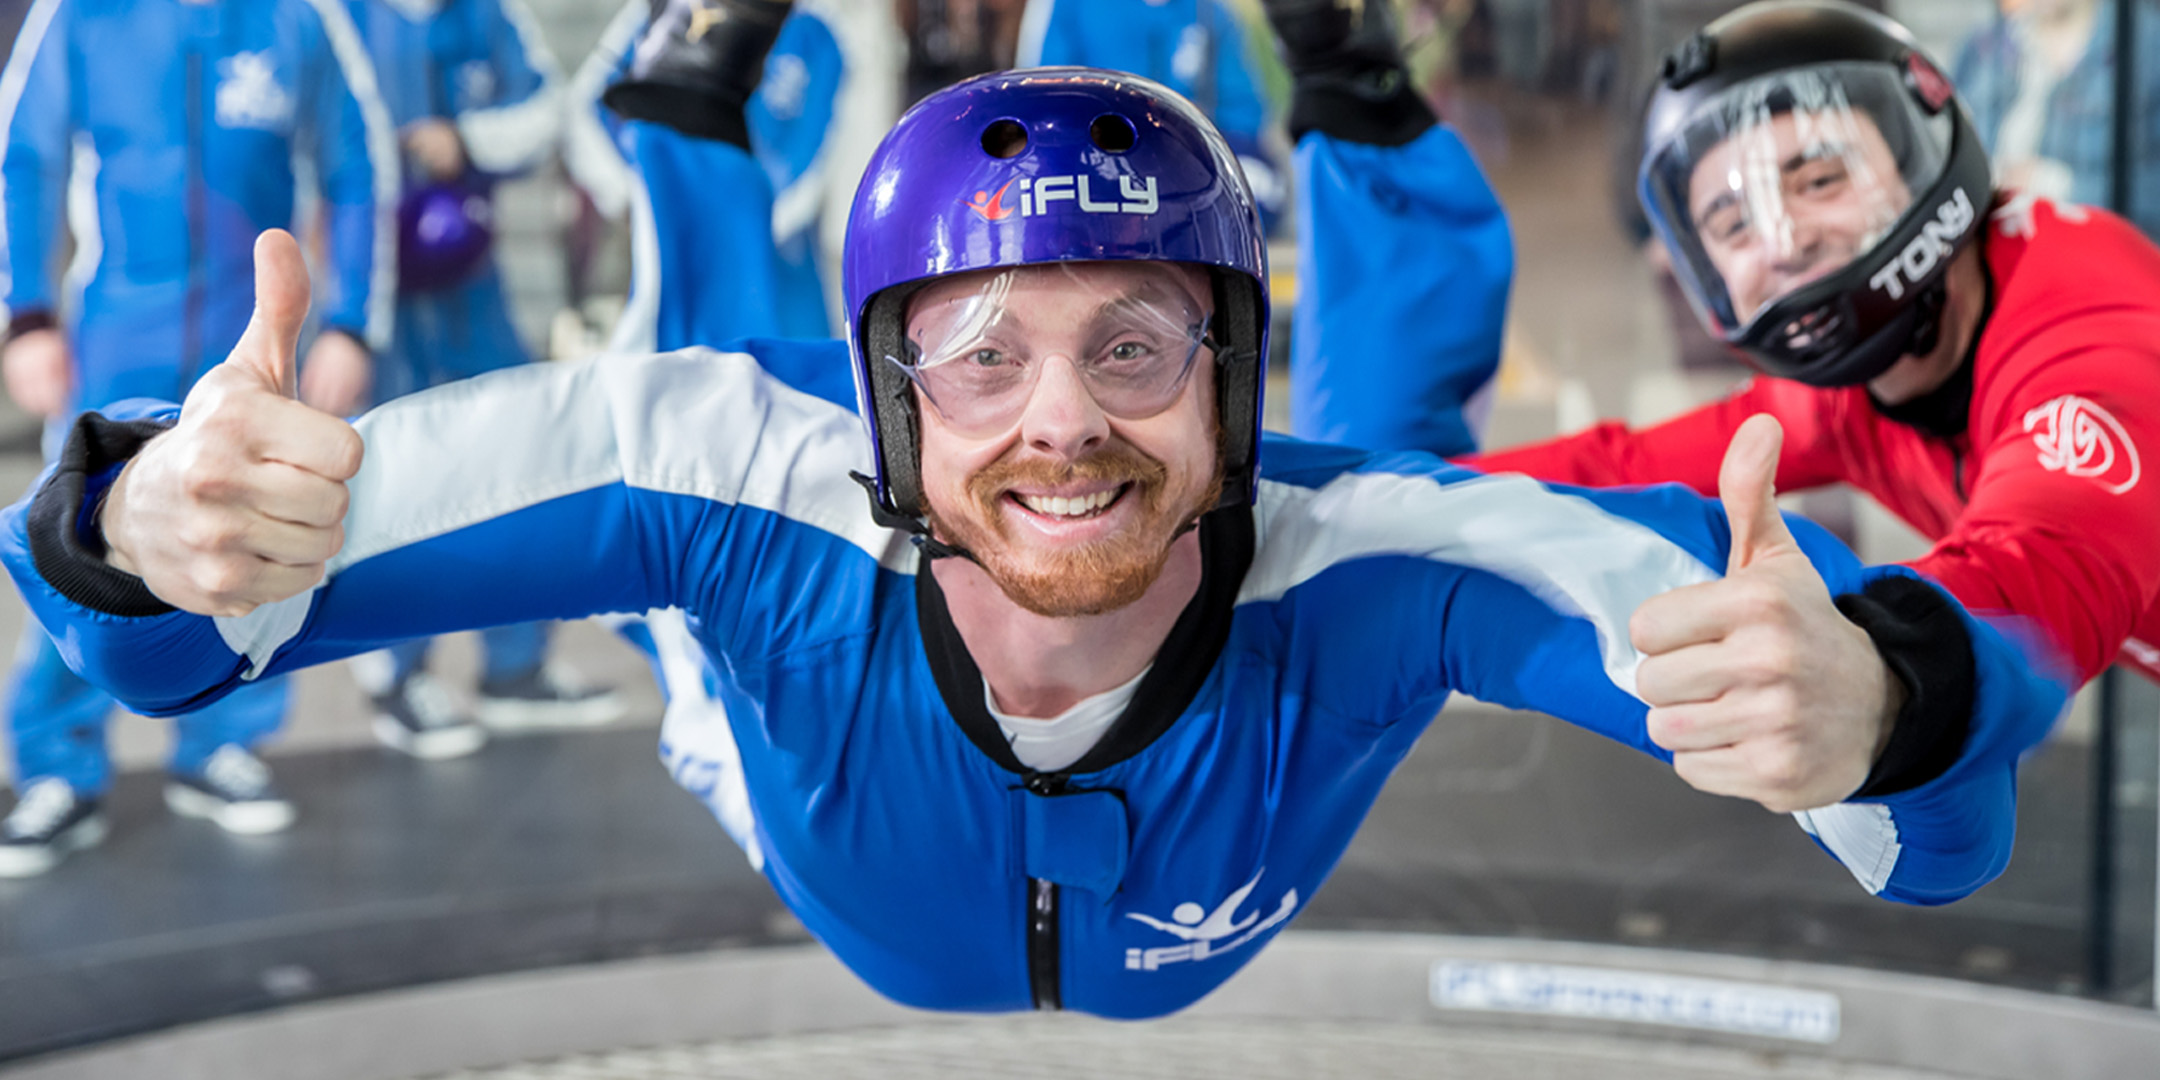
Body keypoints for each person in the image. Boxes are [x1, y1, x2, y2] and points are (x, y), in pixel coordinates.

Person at [1, 0, 2067, 1019]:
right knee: (690, 402)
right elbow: (164, 637)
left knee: (1391, 442)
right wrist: (146, 512)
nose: (1060, 429)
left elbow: (1918, 832)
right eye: (983, 356)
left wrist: (1890, 699)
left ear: (1215, 376)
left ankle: (1348, 109)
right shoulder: (752, 463)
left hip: (1258, 545)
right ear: (893, 397)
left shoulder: (1374, 557)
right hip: (792, 655)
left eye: (1139, 351)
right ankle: (684, 132)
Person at [1463, 0, 2160, 690]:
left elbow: (2041, 563)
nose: (1786, 240)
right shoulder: (1840, 401)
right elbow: (1616, 466)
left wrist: (1870, 674)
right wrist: (1390, 491)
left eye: (1822, 180)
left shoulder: (2081, 315)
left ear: (1923, 160)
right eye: (1734, 225)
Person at [0, 0, 393, 875]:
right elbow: (22, 154)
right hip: (112, 338)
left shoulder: (299, 17)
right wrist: (25, 313)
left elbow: (360, 162)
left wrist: (353, 324)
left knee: (241, 549)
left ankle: (220, 746)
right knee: (76, 551)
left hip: (244, 341)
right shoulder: (81, 16)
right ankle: (58, 768)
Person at [346, 0, 625, 761]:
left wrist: (461, 139)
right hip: (372, 287)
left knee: (513, 458)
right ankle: (399, 676)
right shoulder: (334, 16)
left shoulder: (490, 15)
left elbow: (547, 110)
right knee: (386, 475)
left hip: (470, 278)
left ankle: (516, 666)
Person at [1015, 0, 1288, 231]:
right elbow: (1044, 100)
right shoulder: (1070, 7)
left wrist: (1192, 131)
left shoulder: (1211, 11)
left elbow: (1244, 112)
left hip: (1187, 151)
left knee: (1257, 194)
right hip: (1096, 150)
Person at [1951, 0, 2160, 239]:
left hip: (2091, 261)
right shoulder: (1982, 51)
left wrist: (2060, 187)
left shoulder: (2148, 48)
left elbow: (2153, 197)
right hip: (1998, 261)